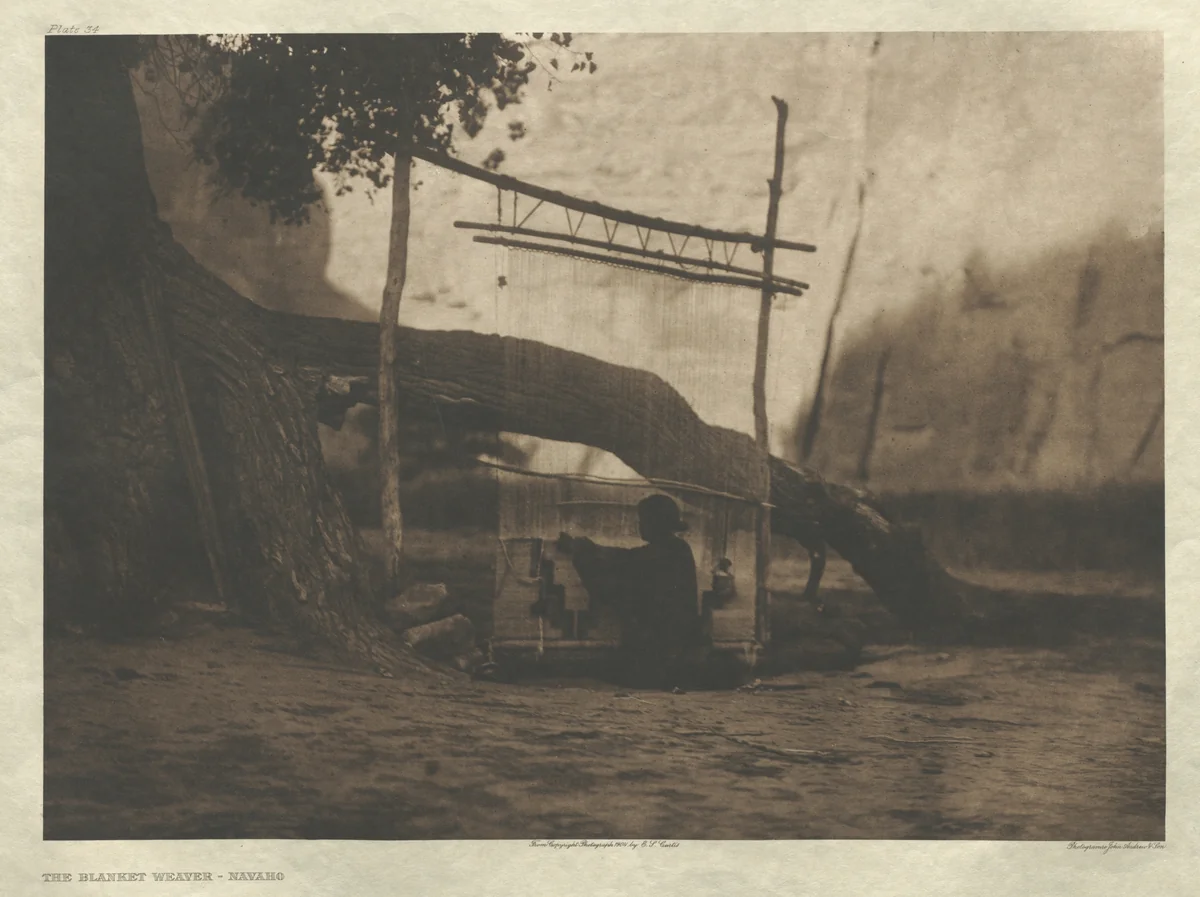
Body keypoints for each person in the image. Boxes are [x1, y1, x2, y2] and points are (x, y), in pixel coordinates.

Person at [558, 494, 703, 690]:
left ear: (656, 523)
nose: (640, 525)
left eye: (643, 521)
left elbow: (628, 560)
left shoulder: (670, 551)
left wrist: (584, 551)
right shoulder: (674, 548)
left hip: (667, 648)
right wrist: (591, 549)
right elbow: (630, 559)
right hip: (668, 644)